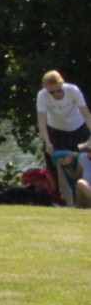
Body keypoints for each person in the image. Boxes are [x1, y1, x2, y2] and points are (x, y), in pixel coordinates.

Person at [34, 70, 91, 205]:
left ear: (62, 84)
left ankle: (83, 199)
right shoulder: (42, 95)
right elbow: (41, 121)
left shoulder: (73, 90)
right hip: (56, 130)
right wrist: (47, 142)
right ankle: (64, 202)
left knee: (82, 160)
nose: (56, 94)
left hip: (78, 127)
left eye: (58, 90)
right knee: (58, 165)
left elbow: (86, 115)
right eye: (51, 92)